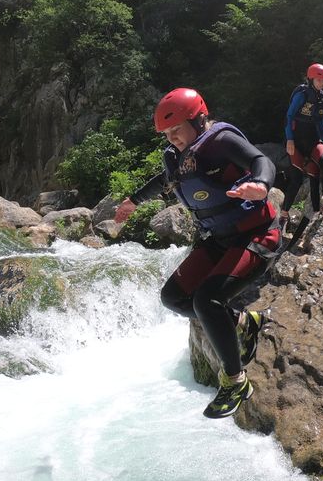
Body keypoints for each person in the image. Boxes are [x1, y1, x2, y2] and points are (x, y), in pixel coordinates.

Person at [114, 87, 280, 419]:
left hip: (256, 236)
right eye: (166, 133)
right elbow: (165, 180)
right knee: (173, 297)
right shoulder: (179, 157)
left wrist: (260, 184)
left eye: (176, 130)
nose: (172, 138)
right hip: (217, 239)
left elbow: (260, 160)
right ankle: (245, 322)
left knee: (207, 300)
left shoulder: (220, 141)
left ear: (199, 118)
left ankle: (235, 381)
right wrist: (133, 200)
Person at [279, 62, 323, 230]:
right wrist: (289, 140)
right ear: (311, 79)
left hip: (313, 141)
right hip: (297, 142)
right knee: (295, 180)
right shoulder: (302, 95)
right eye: (319, 80)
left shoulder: (322, 99)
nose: (322, 84)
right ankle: (284, 215)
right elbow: (289, 116)